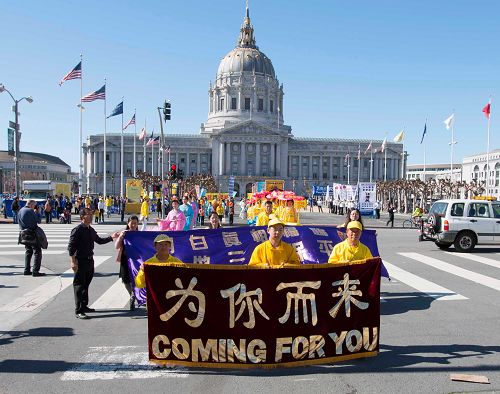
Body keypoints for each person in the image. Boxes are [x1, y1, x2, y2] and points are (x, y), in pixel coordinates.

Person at [68, 208, 120, 319]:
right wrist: (73, 262)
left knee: (86, 284)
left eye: (91, 214)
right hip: (80, 261)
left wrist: (112, 237)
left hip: (89, 261)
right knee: (79, 286)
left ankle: (84, 305)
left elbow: (99, 241)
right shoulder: (77, 230)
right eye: (88, 214)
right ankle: (79, 310)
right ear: (82, 216)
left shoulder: (90, 229)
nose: (91, 216)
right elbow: (71, 248)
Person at [115, 215, 140, 310]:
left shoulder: (140, 234)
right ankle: (132, 295)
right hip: (125, 259)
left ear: (138, 224)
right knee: (125, 280)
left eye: (135, 223)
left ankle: (134, 295)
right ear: (128, 223)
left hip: (137, 261)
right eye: (131, 223)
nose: (133, 225)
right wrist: (121, 237)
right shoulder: (124, 233)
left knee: (136, 279)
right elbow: (117, 247)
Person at [19, 199, 45, 276]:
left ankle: (26, 269)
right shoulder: (30, 211)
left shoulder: (21, 210)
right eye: (34, 205)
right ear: (31, 204)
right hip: (32, 234)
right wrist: (38, 212)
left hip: (23, 233)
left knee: (28, 251)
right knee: (37, 252)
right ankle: (35, 271)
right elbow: (38, 221)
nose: (35, 207)